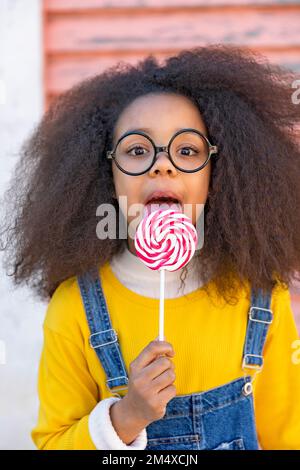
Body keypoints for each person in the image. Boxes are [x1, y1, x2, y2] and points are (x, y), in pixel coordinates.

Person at [1, 45, 300, 450]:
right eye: (137, 150)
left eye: (188, 150)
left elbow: (288, 436)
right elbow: (52, 442)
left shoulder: (261, 296)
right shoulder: (74, 309)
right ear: (104, 172)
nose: (163, 165)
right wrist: (125, 418)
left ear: (219, 172)